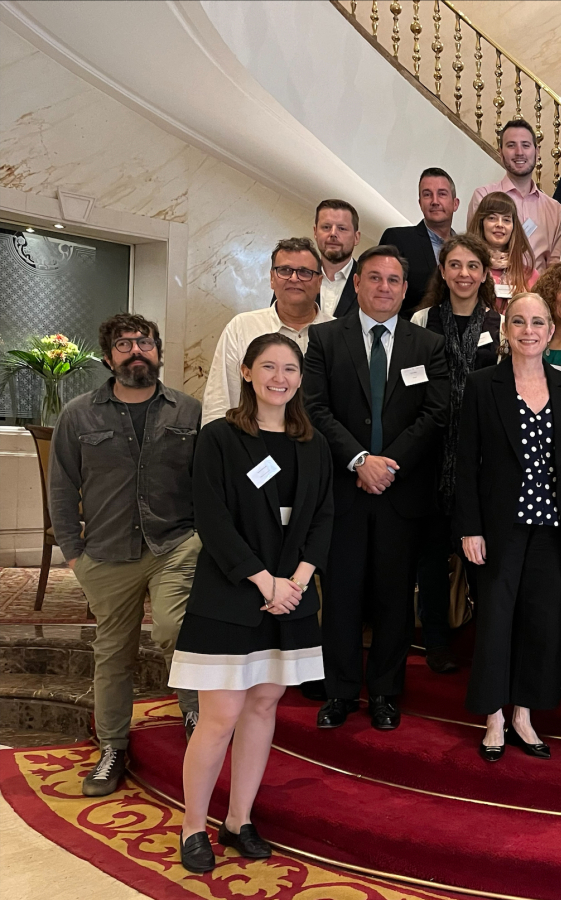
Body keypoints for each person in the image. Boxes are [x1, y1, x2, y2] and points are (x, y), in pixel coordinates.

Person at [170, 333, 332, 873]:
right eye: (268, 367)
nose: (279, 377)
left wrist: (300, 581)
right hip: (233, 592)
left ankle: (238, 819)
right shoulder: (220, 438)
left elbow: (325, 517)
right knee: (221, 715)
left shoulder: (314, 444)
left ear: (300, 378)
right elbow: (212, 520)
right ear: (246, 372)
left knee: (264, 706)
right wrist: (266, 583)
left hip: (292, 595)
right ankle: (194, 825)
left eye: (290, 368)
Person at [48, 313, 202, 796]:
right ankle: (112, 745)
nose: (136, 350)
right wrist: (74, 555)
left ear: (158, 349)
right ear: (108, 356)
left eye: (144, 342)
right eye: (123, 344)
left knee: (179, 629)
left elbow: (208, 481)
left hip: (174, 544)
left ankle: (195, 711)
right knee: (113, 653)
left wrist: (205, 537)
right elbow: (61, 487)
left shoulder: (188, 411)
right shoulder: (78, 414)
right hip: (107, 554)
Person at [303, 245, 451, 730]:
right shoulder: (324, 339)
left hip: (401, 494)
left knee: (393, 598)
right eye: (375, 278)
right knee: (341, 595)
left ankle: (386, 693)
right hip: (344, 492)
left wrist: (388, 466)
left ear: (406, 290)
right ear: (358, 284)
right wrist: (359, 460)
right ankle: (340, 693)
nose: (384, 287)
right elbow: (315, 408)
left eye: (394, 280)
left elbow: (435, 413)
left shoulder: (426, 345)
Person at [456, 293, 561, 763]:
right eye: (519, 322)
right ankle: (493, 714)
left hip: (552, 526)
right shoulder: (482, 383)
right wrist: (469, 528)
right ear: (506, 329)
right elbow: (466, 462)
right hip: (498, 526)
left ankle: (524, 714)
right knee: (495, 620)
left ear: (551, 330)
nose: (528, 330)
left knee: (541, 621)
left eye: (538, 322)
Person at [410, 234, 504, 672]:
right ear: (443, 271)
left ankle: (485, 640)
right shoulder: (421, 319)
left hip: (482, 454)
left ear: (485, 274)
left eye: (473, 266)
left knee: (482, 552)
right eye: (455, 265)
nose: (463, 274)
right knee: (430, 553)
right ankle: (436, 643)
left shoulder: (500, 324)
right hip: (429, 450)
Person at [202, 239, 334, 425]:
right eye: (285, 270)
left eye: (305, 272)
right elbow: (220, 398)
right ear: (272, 278)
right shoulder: (242, 327)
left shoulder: (338, 332)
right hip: (253, 444)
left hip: (324, 448)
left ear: (319, 282)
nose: (294, 278)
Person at [468, 119, 561, 270]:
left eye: (526, 145)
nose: (519, 152)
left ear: (537, 151)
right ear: (500, 152)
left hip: (537, 291)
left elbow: (555, 266)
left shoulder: (554, 209)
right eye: (511, 145)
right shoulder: (483, 196)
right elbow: (473, 250)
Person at [379, 167, 459, 314]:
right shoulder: (398, 239)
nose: (435, 201)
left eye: (442, 194)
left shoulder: (465, 249)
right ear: (420, 203)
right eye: (427, 195)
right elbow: (383, 296)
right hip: (409, 332)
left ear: (455, 203)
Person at [467, 190, 539, 304]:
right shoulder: (468, 270)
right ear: (481, 223)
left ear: (513, 227)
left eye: (506, 220)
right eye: (492, 218)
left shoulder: (529, 275)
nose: (499, 224)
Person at [313, 199, 361, 317]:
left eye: (342, 228)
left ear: (356, 237)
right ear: (315, 232)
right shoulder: (297, 278)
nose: (333, 234)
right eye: (326, 227)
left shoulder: (369, 283)